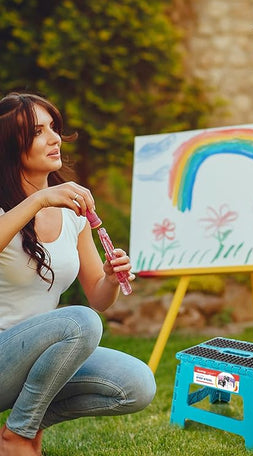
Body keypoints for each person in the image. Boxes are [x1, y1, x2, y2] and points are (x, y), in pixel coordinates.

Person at [0, 92, 156, 456]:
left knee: (137, 384)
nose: (55, 138)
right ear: (10, 146)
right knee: (78, 322)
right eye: (39, 132)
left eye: (53, 127)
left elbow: (98, 301)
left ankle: (25, 424)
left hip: (41, 360)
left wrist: (110, 277)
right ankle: (18, 438)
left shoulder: (72, 212)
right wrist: (39, 200)